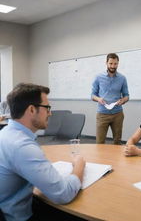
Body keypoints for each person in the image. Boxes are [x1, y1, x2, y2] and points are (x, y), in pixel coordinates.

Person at [0, 83, 86, 221]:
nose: (50, 113)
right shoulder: (22, 146)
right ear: (32, 110)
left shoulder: (6, 134)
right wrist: (79, 166)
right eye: (47, 108)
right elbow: (63, 194)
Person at [92, 53, 129, 144]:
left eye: (115, 64)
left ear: (118, 63)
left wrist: (122, 100)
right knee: (99, 142)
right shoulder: (98, 77)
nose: (113, 66)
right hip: (102, 114)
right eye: (111, 63)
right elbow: (92, 95)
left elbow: (127, 95)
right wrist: (99, 99)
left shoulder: (122, 78)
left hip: (118, 114)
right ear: (106, 63)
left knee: (117, 142)